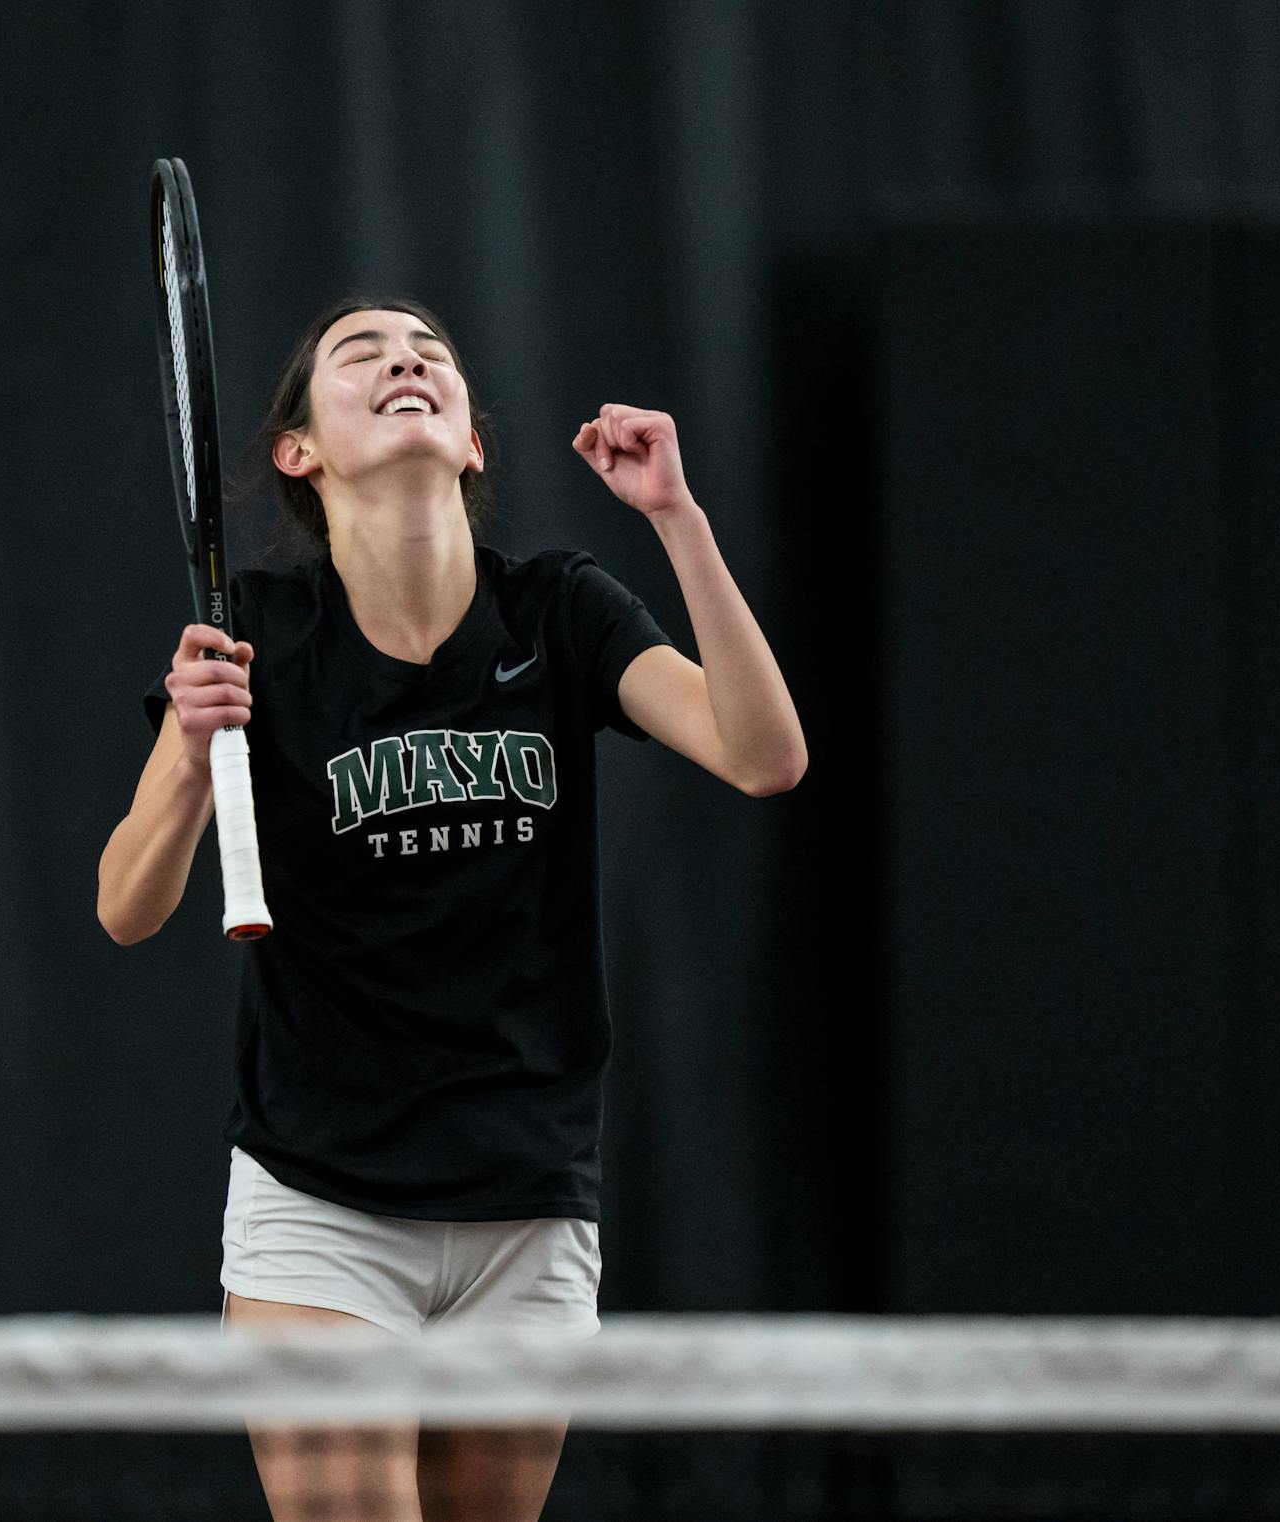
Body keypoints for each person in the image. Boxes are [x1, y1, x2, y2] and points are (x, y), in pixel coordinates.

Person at [96, 297, 806, 1522]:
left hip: (527, 1198)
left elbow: (764, 755)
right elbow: (126, 905)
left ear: (473, 440)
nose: (404, 361)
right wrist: (186, 756)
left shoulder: (561, 610)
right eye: (361, 354)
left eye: (429, 353)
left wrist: (677, 520)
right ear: (298, 451)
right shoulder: (255, 637)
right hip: (324, 1202)